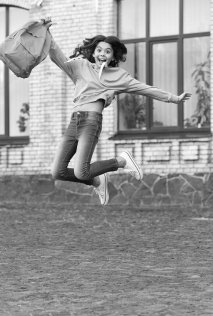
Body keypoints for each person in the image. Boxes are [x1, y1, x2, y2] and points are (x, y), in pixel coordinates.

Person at [47, 22, 191, 205]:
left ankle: (121, 161)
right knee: (57, 172)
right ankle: (97, 181)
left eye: (107, 52)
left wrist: (173, 98)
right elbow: (56, 56)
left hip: (90, 122)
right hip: (73, 122)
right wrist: (46, 33)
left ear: (112, 56)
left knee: (80, 172)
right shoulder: (80, 66)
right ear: (93, 53)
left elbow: (145, 89)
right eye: (99, 50)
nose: (102, 54)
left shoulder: (118, 76)